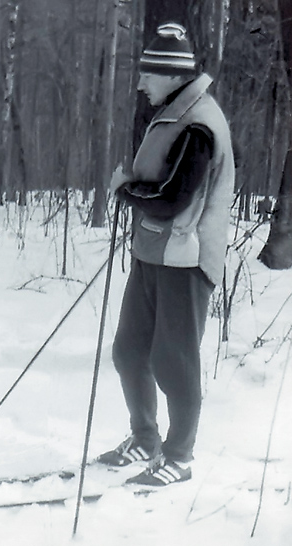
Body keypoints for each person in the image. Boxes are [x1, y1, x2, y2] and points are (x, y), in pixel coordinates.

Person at [101, 23, 235, 486]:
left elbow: (174, 198)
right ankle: (145, 438)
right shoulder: (175, 111)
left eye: (147, 75)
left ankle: (179, 456)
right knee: (129, 350)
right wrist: (135, 194)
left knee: (173, 361)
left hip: (187, 257)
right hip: (155, 252)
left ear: (172, 76)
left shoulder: (198, 123)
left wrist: (125, 191)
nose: (140, 83)